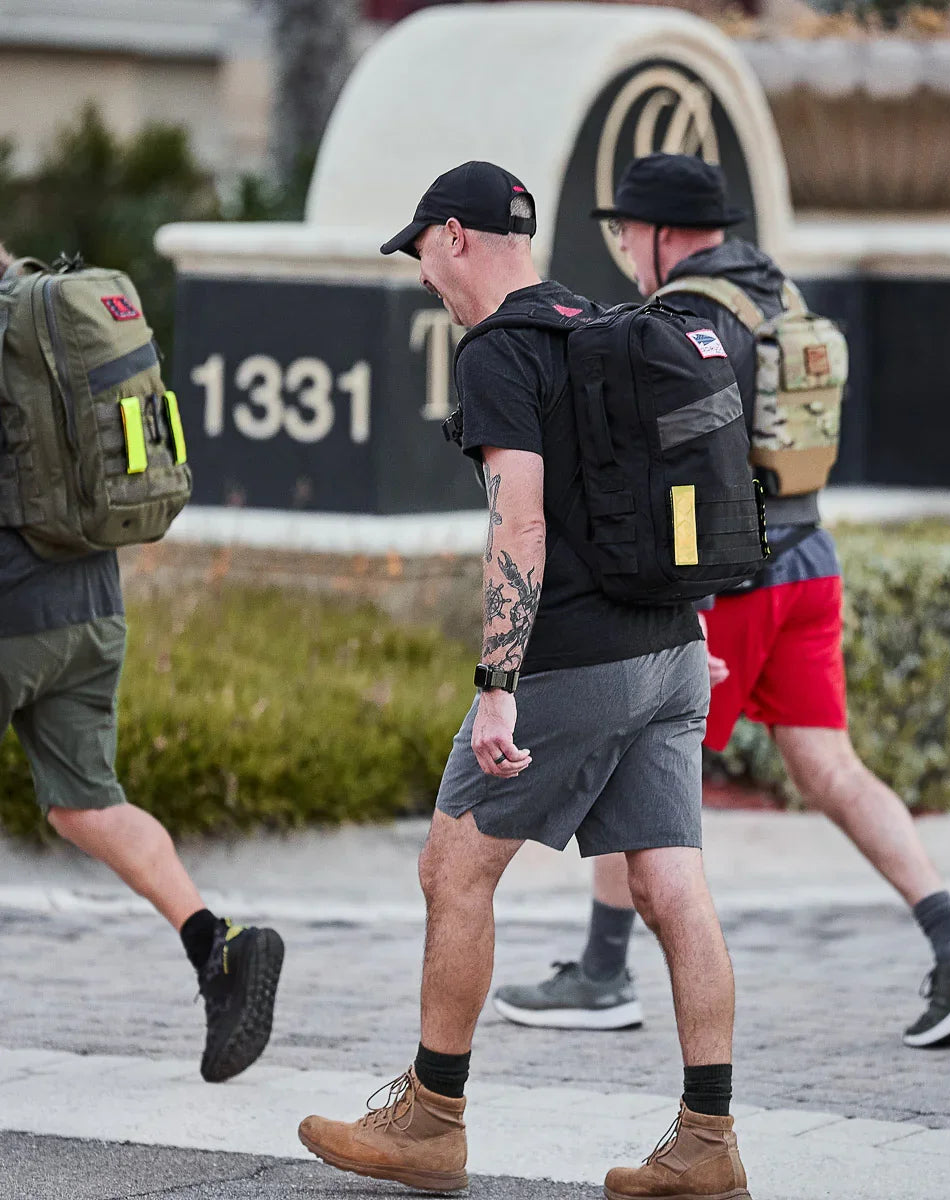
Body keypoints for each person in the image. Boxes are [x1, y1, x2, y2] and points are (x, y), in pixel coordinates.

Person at [492, 153, 950, 1051]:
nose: (624, 252)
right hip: (811, 562)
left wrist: (686, 605)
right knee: (828, 767)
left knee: (631, 762)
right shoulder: (776, 292)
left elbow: (690, 475)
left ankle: (602, 971)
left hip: (735, 583)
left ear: (663, 236)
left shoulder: (695, 317)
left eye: (626, 234)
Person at [297, 162, 753, 1200]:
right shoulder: (602, 327)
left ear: (455, 236)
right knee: (671, 882)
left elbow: (521, 521)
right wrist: (685, 634)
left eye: (421, 254)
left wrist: (497, 679)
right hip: (675, 649)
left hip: (573, 660)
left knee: (454, 872)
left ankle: (432, 1117)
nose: (423, 279)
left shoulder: (500, 350)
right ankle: (707, 1141)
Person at [0, 243, 285, 1082]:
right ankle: (217, 948)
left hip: (10, 610)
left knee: (84, 806)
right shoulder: (48, 315)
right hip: (91, 611)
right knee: (86, 805)